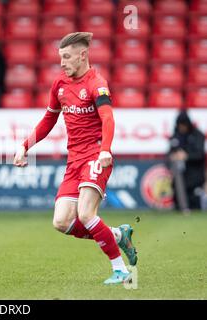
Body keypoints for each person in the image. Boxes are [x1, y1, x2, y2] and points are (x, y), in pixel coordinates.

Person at [13, 32, 137, 285]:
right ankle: (117, 235)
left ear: (83, 55)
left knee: (86, 214)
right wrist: (25, 146)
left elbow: (108, 118)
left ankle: (121, 270)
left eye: (67, 57)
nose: (62, 63)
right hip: (74, 161)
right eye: (60, 57)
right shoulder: (60, 84)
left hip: (95, 156)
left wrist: (106, 150)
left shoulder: (96, 84)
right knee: (61, 221)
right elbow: (49, 120)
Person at [168, 110, 205, 212]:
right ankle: (182, 206)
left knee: (195, 203)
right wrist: (174, 157)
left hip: (194, 174)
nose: (181, 128)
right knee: (176, 167)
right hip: (179, 174)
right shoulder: (175, 136)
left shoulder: (198, 135)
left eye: (183, 125)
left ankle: (185, 206)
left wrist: (186, 156)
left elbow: (199, 155)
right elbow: (169, 155)